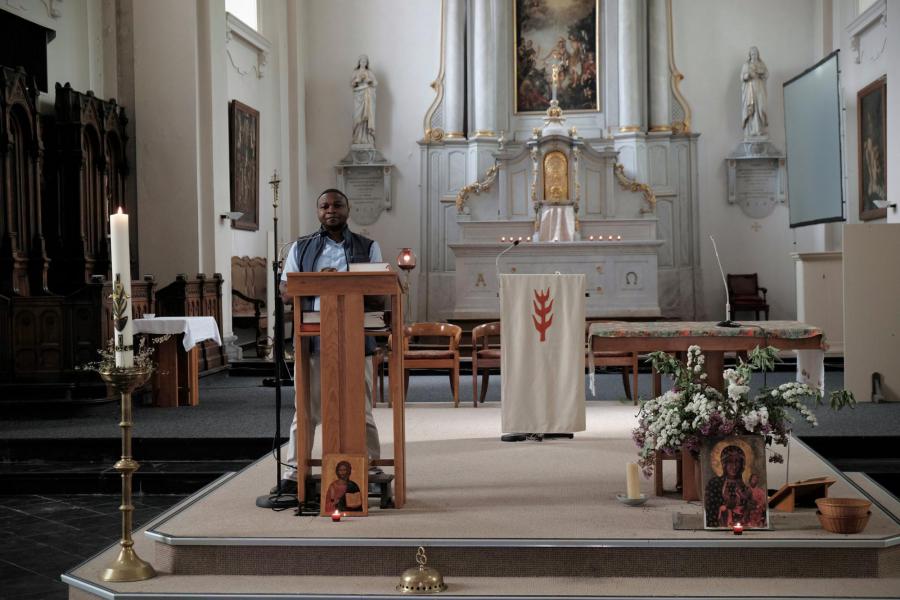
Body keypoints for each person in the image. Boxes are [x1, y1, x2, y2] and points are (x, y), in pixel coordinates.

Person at [273, 189, 383, 497]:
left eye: (337, 205)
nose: (330, 210)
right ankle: (295, 471)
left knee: (360, 407)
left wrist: (341, 280)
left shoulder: (368, 246)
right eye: (324, 205)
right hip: (313, 337)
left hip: (355, 335)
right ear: (317, 211)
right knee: (305, 408)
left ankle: (371, 465)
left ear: (348, 210)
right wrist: (319, 280)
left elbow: (377, 290)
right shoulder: (302, 246)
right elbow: (285, 291)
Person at [704, 445, 750, 527]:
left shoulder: (745, 486)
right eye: (730, 462)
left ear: (742, 464)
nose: (734, 466)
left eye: (737, 461)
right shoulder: (715, 483)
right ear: (724, 463)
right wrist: (724, 507)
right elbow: (710, 508)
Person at [740, 46, 768, 139]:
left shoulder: (761, 64)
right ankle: (752, 130)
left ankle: (760, 129)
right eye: (752, 54)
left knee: (760, 107)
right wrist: (747, 76)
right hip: (750, 89)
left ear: (758, 54)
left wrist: (761, 72)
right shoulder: (746, 65)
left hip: (759, 88)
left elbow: (767, 74)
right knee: (751, 109)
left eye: (755, 54)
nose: (754, 55)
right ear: (750, 55)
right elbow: (742, 77)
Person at [351, 55, 377, 147]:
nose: (363, 62)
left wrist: (369, 80)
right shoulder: (356, 72)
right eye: (362, 61)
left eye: (365, 61)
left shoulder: (370, 72)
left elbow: (375, 83)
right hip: (358, 97)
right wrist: (358, 80)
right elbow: (352, 84)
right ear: (359, 62)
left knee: (367, 118)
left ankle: (368, 139)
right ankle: (357, 138)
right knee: (358, 117)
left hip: (368, 97)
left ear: (367, 63)